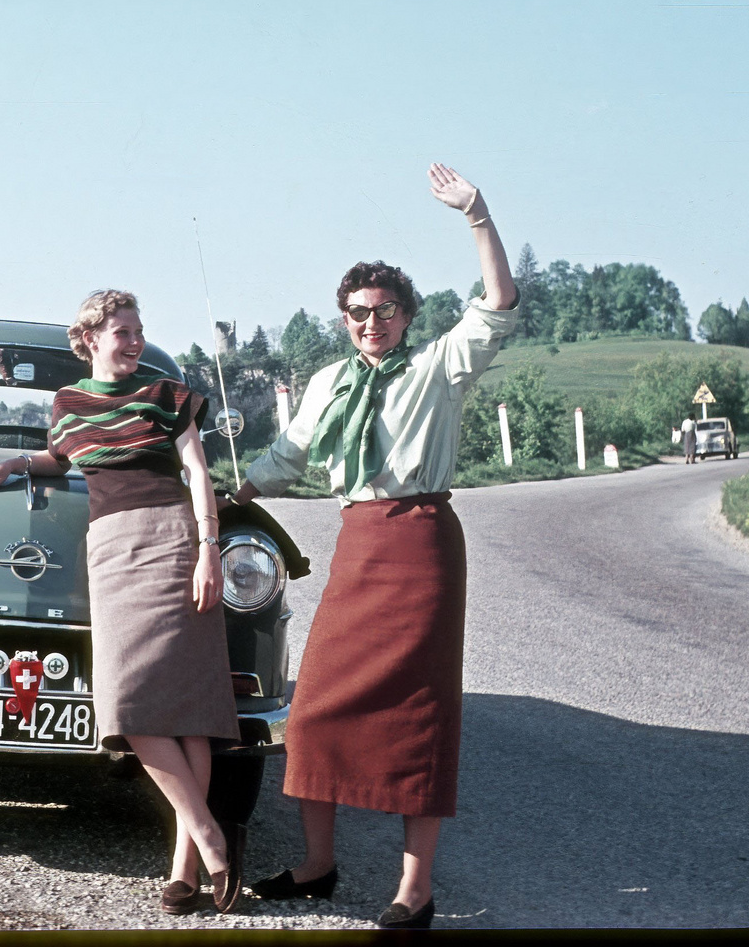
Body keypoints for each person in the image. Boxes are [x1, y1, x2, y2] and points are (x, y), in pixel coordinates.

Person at [229, 163, 519, 930]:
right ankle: (319, 865)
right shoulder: (326, 383)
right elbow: (285, 458)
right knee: (318, 710)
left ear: (406, 316)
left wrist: (477, 216)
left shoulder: (435, 369)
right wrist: (235, 497)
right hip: (360, 545)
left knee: (418, 716)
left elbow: (497, 306)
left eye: (385, 310)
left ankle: (414, 891)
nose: (371, 322)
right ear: (344, 317)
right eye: (358, 311)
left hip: (421, 545)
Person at [0, 290, 247, 916]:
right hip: (112, 551)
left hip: (175, 540)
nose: (135, 340)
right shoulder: (68, 406)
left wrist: (207, 549)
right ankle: (212, 831)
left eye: (139, 329)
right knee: (131, 706)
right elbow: (58, 459)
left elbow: (197, 470)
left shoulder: (166, 393)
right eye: (122, 331)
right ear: (89, 338)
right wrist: (11, 463)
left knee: (189, 707)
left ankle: (188, 867)